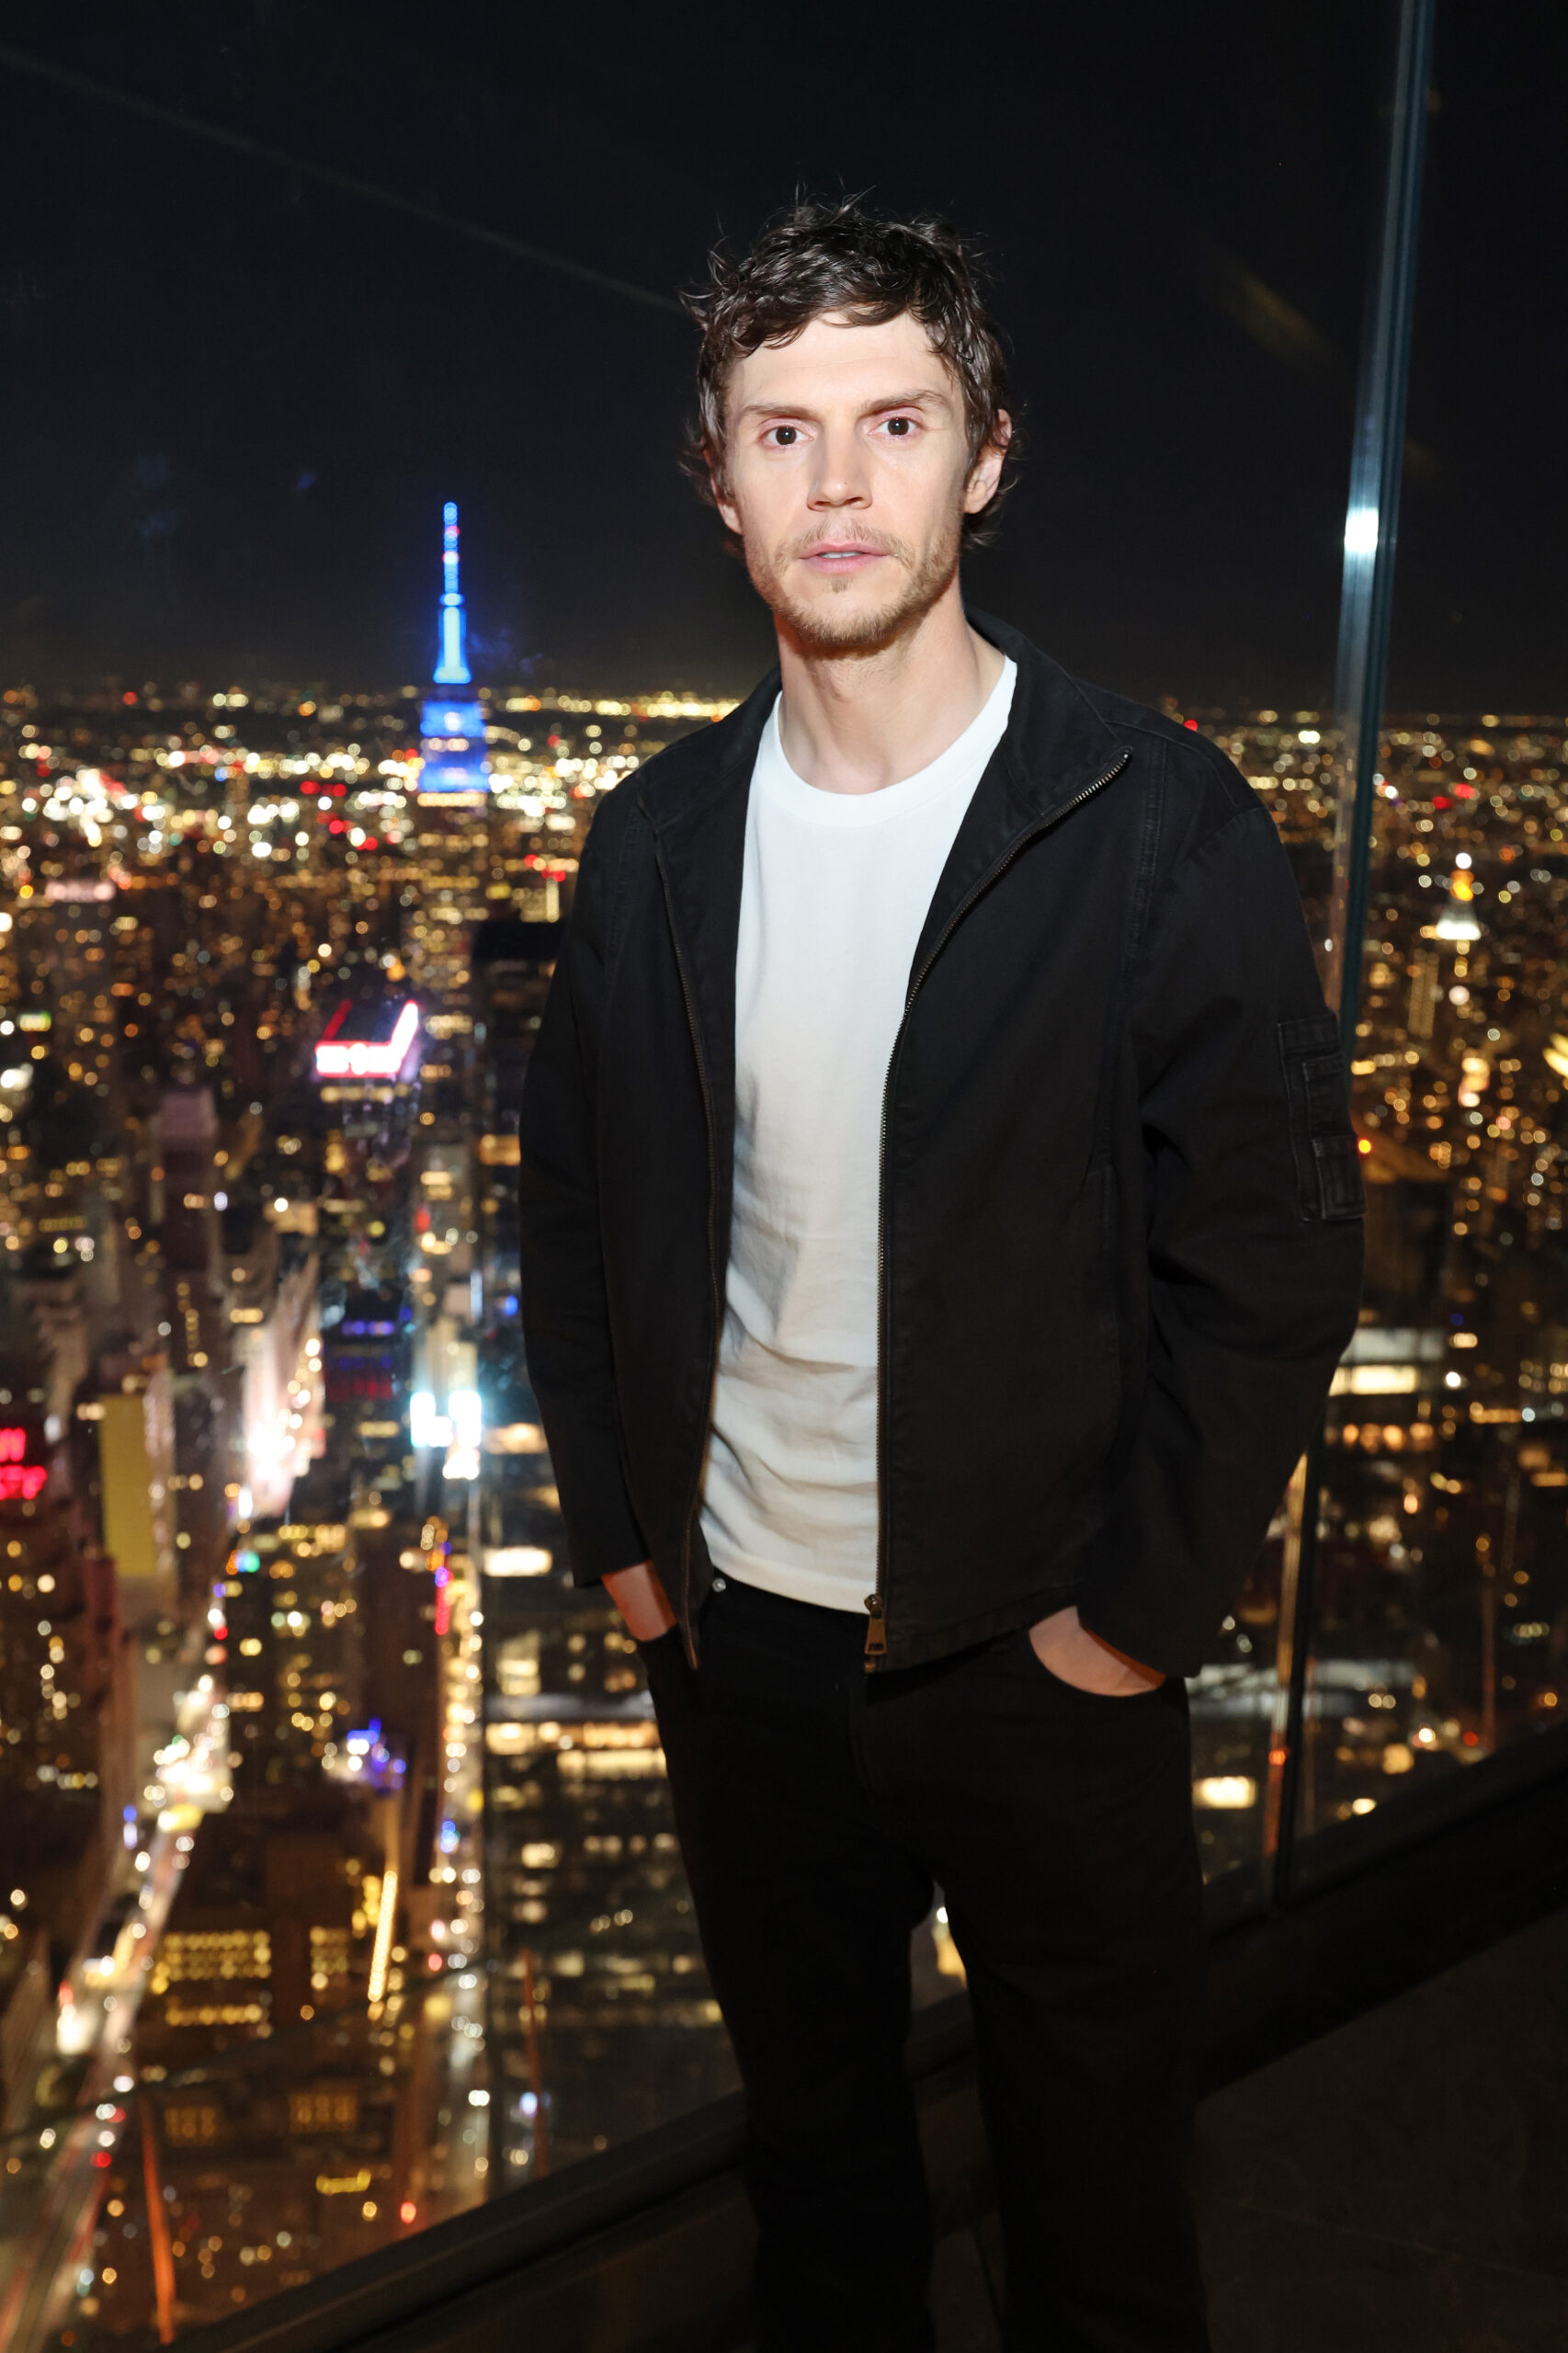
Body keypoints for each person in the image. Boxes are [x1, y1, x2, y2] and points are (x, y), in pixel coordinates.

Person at [518, 197, 1364, 2353]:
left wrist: (1121, 1626)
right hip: (743, 1657)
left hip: (1036, 1656)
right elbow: (578, 1212)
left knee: (1099, 2222)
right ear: (718, 486)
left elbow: (1268, 1262)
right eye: (779, 432)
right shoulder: (651, 844)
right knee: (822, 2194)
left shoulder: (1154, 824)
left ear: (985, 455)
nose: (837, 483)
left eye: (892, 419)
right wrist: (629, 1545)